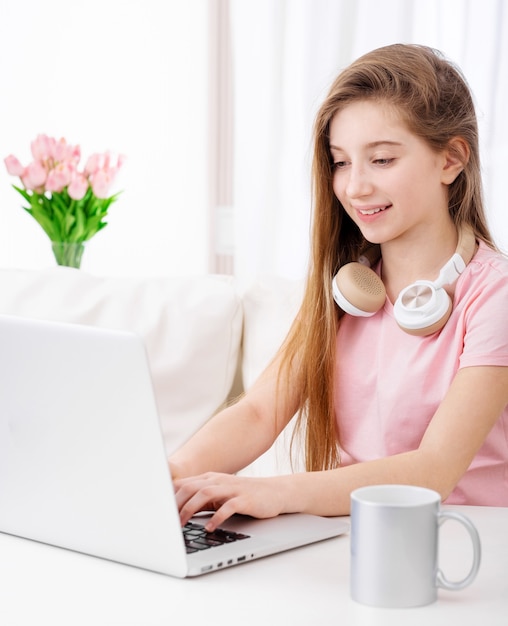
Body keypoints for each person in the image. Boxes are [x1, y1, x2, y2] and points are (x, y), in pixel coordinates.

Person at [170, 43, 508, 532]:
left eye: (382, 160)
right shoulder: (350, 289)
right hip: (352, 536)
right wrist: (172, 476)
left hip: (462, 544)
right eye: (341, 162)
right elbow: (261, 412)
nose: (355, 187)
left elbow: (432, 471)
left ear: (451, 160)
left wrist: (273, 491)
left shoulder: (494, 296)